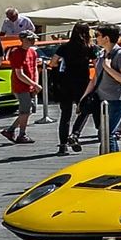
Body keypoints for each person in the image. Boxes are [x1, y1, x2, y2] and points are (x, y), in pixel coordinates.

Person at [50, 23, 95, 154]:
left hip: (65, 82)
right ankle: (75, 134)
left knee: (65, 114)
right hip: (82, 83)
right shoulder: (89, 48)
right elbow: (96, 64)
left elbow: (53, 62)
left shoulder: (64, 47)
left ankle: (63, 145)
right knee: (85, 110)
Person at [91, 26, 121, 150]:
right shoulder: (102, 53)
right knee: (104, 133)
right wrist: (85, 96)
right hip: (102, 98)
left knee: (107, 133)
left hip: (117, 98)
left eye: (97, 35)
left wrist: (108, 68)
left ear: (106, 38)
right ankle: (109, 159)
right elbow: (95, 78)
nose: (95, 38)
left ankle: (110, 161)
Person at [0, 33, 40, 143]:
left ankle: (11, 130)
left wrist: (35, 83)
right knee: (25, 111)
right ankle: (21, 134)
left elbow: (34, 68)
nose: (33, 41)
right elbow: (19, 74)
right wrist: (34, 84)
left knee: (28, 110)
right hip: (21, 86)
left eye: (33, 39)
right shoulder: (16, 53)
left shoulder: (33, 52)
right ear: (22, 40)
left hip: (30, 86)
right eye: (30, 39)